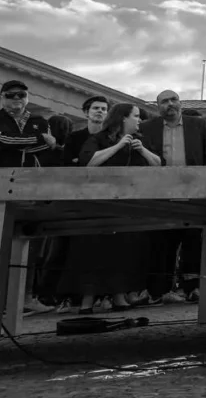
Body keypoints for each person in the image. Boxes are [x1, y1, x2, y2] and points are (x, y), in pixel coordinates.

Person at [57, 104, 159, 312]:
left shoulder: (141, 140)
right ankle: (87, 300)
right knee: (94, 251)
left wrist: (143, 150)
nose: (139, 120)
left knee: (123, 250)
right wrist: (119, 145)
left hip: (128, 204)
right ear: (123, 118)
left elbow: (158, 164)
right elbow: (88, 162)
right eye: (136, 116)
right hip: (100, 204)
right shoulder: (99, 138)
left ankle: (119, 295)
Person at [140, 90, 206, 305]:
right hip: (160, 193)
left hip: (193, 192)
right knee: (162, 242)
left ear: (180, 103)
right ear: (158, 107)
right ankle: (160, 290)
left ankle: (192, 287)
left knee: (193, 242)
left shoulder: (197, 125)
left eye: (174, 100)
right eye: (164, 101)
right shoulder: (147, 128)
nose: (170, 104)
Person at [0, 80, 59, 167]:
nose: (16, 97)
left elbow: (45, 148)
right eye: (10, 95)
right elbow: (1, 138)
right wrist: (41, 138)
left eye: (21, 94)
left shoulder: (40, 120)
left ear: (27, 97)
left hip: (30, 173)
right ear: (2, 97)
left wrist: (2, 147)